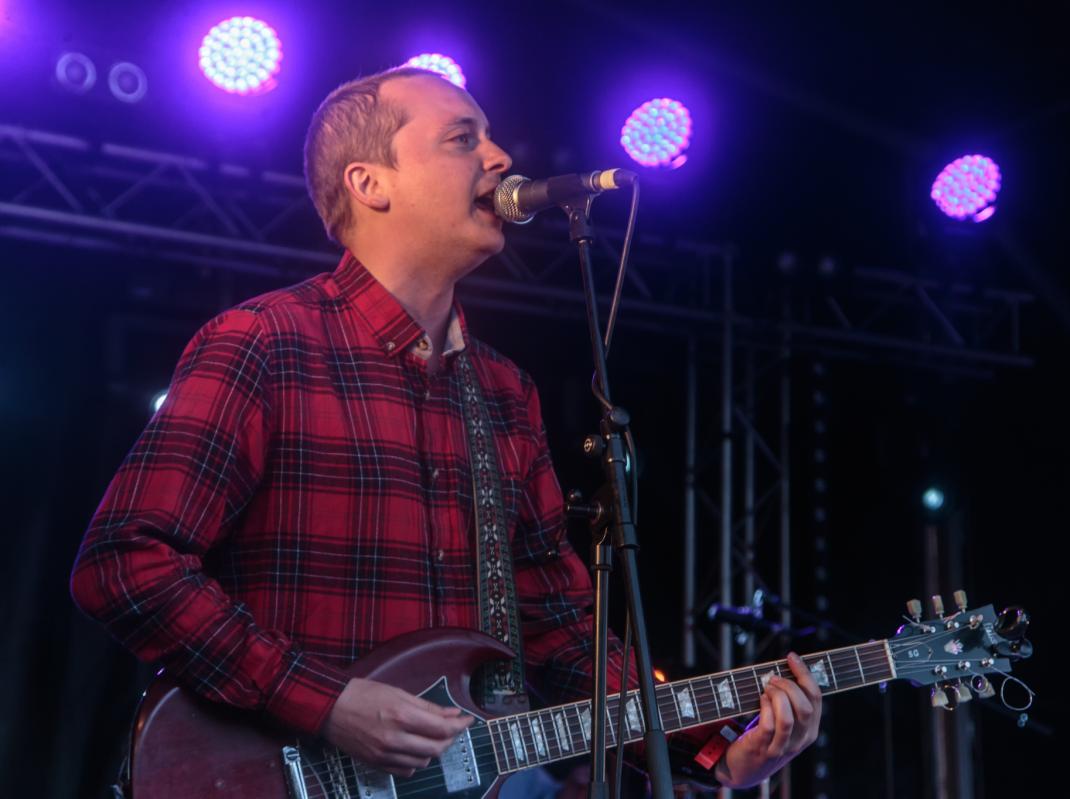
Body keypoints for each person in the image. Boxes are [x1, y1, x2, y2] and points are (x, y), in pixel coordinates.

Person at [69, 65, 821, 791]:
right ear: (370, 182)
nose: (500, 158)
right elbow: (126, 563)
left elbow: (558, 634)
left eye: (490, 138)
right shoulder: (265, 341)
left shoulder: (503, 392)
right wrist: (324, 700)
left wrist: (718, 748)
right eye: (463, 139)